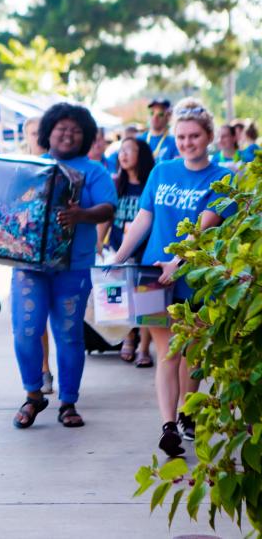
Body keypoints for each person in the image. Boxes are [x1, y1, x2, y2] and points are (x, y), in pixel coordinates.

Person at [0, 103, 117, 429]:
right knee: (26, 331)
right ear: (48, 131)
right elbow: (3, 207)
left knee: (69, 335)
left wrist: (80, 215)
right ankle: (33, 394)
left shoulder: (93, 171)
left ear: (86, 137)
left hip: (74, 265)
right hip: (29, 266)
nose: (68, 135)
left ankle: (68, 402)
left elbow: (108, 208)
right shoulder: (28, 167)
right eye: (61, 128)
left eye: (76, 131)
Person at [114, 98, 234, 457]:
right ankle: (169, 426)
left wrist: (178, 263)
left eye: (194, 136)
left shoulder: (222, 177)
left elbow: (204, 228)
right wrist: (117, 259)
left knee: (191, 352)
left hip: (196, 276)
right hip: (153, 274)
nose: (186, 143)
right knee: (167, 352)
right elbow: (144, 219)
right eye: (181, 136)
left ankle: (187, 412)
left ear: (209, 136)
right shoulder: (161, 171)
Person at [98, 138, 156, 366]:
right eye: (121, 151)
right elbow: (107, 216)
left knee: (146, 300)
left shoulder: (150, 183)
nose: (123, 155)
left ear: (141, 155)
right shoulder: (115, 183)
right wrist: (99, 241)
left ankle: (144, 347)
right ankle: (128, 337)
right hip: (118, 248)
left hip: (145, 251)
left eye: (129, 150)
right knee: (119, 298)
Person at [20, 117, 54, 394]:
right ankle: (38, 374)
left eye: (42, 132)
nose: (39, 137)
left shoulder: (58, 167)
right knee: (31, 323)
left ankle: (47, 369)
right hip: (25, 253)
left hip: (53, 252)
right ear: (26, 137)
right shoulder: (19, 168)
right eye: (34, 133)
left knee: (54, 322)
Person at [141, 98, 179, 163]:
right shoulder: (139, 140)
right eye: (152, 113)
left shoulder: (175, 142)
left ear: (168, 116)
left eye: (160, 114)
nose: (155, 117)